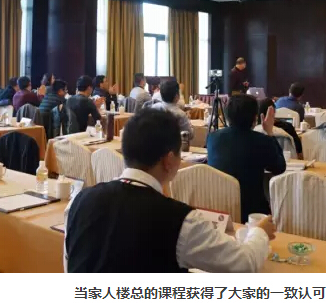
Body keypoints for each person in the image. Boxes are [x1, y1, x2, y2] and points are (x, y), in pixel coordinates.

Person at [65, 109, 275, 273]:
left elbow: (70, 264)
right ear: (169, 160)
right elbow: (243, 264)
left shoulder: (79, 201)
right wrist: (260, 233)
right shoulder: (181, 220)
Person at [207, 95, 286, 223]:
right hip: (252, 213)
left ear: (227, 116)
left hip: (218, 208)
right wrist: (270, 133)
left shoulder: (213, 138)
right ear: (255, 118)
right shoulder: (262, 141)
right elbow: (280, 168)